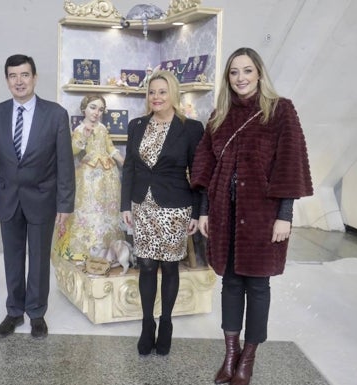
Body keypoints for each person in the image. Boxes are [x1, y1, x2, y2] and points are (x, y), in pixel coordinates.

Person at [190, 47, 313, 385]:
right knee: (230, 283)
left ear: (259, 73)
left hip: (263, 214)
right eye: (234, 72)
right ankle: (230, 355)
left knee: (258, 285)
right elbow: (206, 165)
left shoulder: (280, 111)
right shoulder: (220, 115)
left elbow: (290, 164)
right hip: (224, 213)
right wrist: (204, 212)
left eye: (247, 71)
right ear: (228, 78)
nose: (240, 78)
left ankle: (249, 357)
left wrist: (285, 214)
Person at [0, 54, 75, 340]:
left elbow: (64, 163)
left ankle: (36, 313)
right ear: (7, 80)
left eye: (24, 75)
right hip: (8, 199)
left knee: (38, 260)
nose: (19, 81)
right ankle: (14, 311)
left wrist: (65, 204)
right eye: (13, 76)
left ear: (35, 77)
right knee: (11, 258)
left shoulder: (56, 114)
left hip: (43, 199)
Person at [121, 70, 204, 356]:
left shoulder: (191, 128)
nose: (156, 97)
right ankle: (147, 324)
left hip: (175, 207)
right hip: (142, 206)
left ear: (173, 94)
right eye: (152, 92)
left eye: (162, 92)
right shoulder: (136, 125)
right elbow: (129, 167)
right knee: (145, 265)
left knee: (169, 267)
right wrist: (124, 205)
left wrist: (197, 211)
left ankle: (166, 323)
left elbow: (198, 173)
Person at [54, 95, 124, 262]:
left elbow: (110, 148)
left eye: (100, 109)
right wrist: (83, 137)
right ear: (84, 109)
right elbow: (71, 152)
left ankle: (106, 249)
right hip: (88, 177)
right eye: (93, 107)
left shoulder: (102, 128)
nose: (96, 112)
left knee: (106, 211)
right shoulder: (78, 130)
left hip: (108, 176)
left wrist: (122, 161)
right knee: (88, 209)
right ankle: (85, 249)